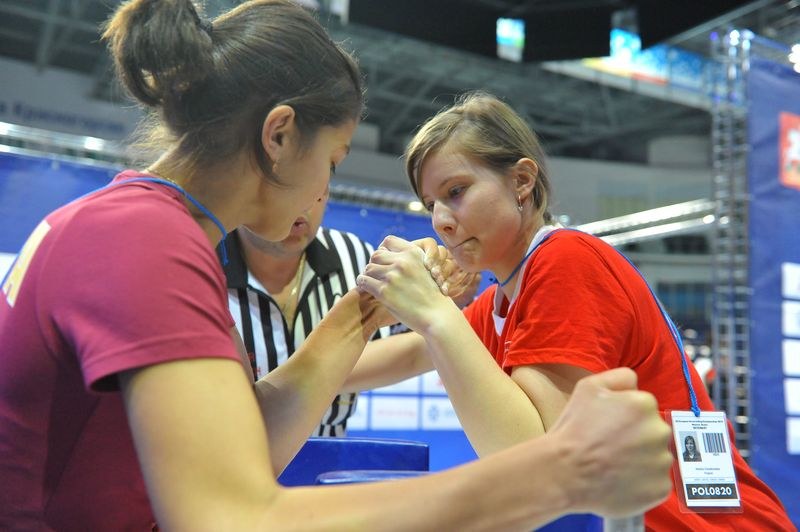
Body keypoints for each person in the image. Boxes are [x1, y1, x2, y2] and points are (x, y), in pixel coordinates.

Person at [0, 2, 674, 530]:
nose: (326, 189)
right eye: (333, 160)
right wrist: (560, 473)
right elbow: (234, 516)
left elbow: (244, 442)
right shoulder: (145, 239)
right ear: (279, 135)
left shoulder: (141, 225)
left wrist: (363, 309)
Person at [356, 91, 794, 530]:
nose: (441, 220)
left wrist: (435, 312)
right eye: (431, 204)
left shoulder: (565, 260)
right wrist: (369, 314)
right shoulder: (502, 299)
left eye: (456, 192)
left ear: (521, 181)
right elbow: (402, 357)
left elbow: (533, 465)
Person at [221, 193, 395, 437]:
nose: (304, 206)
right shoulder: (200, 264)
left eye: (318, 194)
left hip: (329, 456)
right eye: (288, 184)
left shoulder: (356, 256)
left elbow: (413, 343)